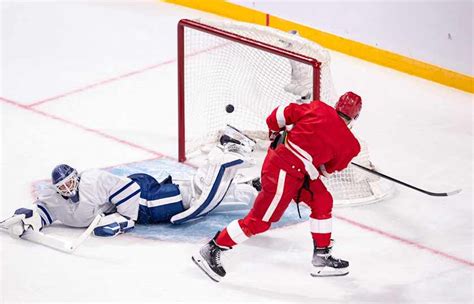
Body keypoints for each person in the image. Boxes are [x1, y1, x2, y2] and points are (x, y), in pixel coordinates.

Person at [192, 91, 363, 282]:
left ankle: (321, 257)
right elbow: (325, 171)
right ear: (355, 117)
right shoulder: (351, 146)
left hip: (287, 165)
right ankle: (213, 248)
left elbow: (278, 115)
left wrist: (275, 131)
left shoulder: (318, 107)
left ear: (337, 105)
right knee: (260, 221)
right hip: (283, 172)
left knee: (322, 200)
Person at [1, 126, 260, 238]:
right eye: (63, 187)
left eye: (70, 183)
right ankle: (251, 190)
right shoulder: (55, 200)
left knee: (190, 197)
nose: (68, 189)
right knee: (202, 203)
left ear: (77, 177)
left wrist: (124, 220)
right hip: (137, 203)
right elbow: (43, 213)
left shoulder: (93, 180)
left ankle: (227, 154)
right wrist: (29, 220)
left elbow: (127, 189)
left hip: (142, 197)